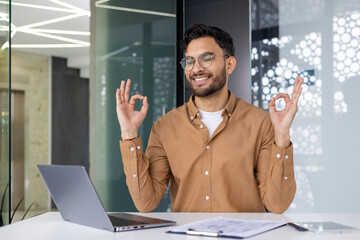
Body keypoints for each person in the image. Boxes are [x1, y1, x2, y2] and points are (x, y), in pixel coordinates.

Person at [116, 24, 303, 214]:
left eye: (206, 58)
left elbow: (277, 204)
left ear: (229, 65)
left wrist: (281, 134)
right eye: (189, 61)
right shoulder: (165, 127)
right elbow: (146, 203)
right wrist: (129, 133)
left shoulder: (260, 123)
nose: (196, 68)